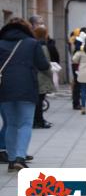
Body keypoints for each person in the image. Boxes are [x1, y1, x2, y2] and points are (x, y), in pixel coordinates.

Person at [0, 18, 50, 171]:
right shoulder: (31, 43)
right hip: (27, 87)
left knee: (11, 124)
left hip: (4, 89)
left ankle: (11, 159)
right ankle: (20, 158)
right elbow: (43, 65)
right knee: (25, 123)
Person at [32, 26, 55, 128]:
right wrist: (51, 75)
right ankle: (39, 121)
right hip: (41, 76)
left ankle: (37, 120)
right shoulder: (42, 46)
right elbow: (45, 63)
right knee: (39, 100)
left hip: (34, 74)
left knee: (37, 100)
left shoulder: (32, 44)